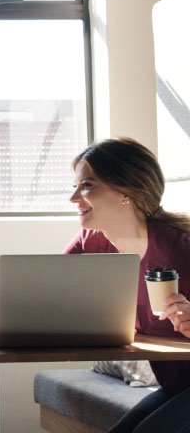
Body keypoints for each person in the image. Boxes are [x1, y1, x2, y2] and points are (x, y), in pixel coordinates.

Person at [65, 137, 190, 433]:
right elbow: (52, 294)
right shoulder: (90, 242)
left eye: (87, 186)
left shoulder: (180, 248)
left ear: (125, 191)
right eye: (75, 187)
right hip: (177, 384)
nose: (74, 199)